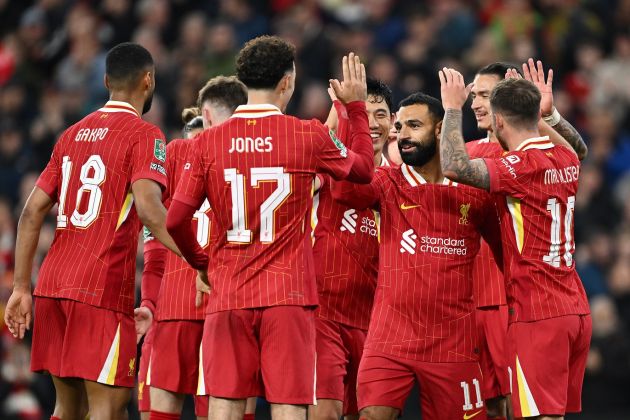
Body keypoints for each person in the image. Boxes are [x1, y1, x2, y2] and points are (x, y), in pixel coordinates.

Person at [166, 36, 375, 420]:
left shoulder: (208, 143)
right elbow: (363, 169)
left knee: (225, 404)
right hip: (289, 295)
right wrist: (356, 108)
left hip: (228, 291)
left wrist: (201, 264)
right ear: (286, 82)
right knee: (289, 405)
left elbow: (176, 220)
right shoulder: (307, 135)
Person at [4, 42, 180, 419]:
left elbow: (32, 210)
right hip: (99, 289)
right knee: (108, 408)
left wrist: (21, 287)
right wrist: (198, 258)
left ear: (105, 81)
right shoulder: (145, 134)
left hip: (51, 286)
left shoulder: (70, 135)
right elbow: (150, 210)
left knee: (67, 409)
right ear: (148, 80)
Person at [331, 92, 503, 420]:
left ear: (441, 129)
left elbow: (505, 255)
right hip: (390, 339)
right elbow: (343, 190)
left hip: (453, 343)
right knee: (370, 415)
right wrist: (350, 114)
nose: (403, 134)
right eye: (399, 127)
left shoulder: (475, 192)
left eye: (413, 125)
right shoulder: (387, 183)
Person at [439, 70, 591, 420]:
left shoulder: (516, 167)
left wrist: (451, 108)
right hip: (575, 308)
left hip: (538, 310)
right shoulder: (565, 160)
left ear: (499, 120)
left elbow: (454, 166)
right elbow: (576, 149)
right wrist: (546, 114)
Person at [137, 76, 254, 420]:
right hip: (228, 299)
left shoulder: (174, 152)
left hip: (177, 300)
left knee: (162, 407)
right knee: (229, 406)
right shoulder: (250, 158)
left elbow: (156, 231)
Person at [309, 77, 394, 420]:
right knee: (325, 412)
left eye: (382, 114)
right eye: (366, 112)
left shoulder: (399, 178)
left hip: (375, 323)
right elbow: (346, 187)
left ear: (394, 122)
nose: (372, 123)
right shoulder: (327, 166)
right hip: (323, 313)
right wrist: (342, 109)